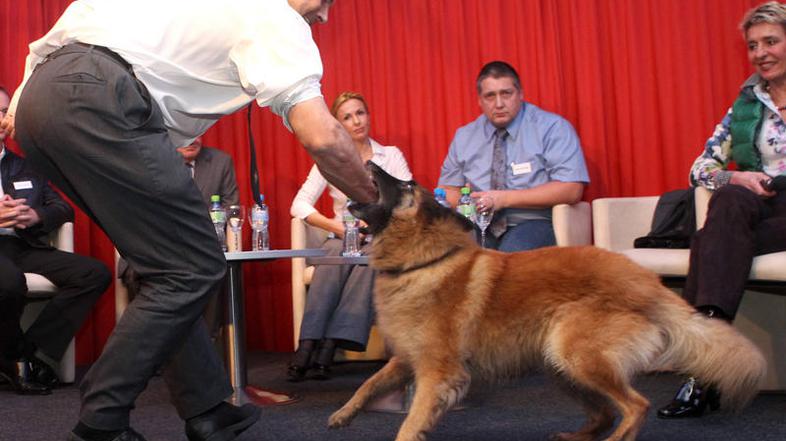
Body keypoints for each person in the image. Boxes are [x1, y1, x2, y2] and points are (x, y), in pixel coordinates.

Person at [0, 1, 376, 441]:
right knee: (192, 266)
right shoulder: (273, 15)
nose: (327, 15)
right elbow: (324, 137)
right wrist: (377, 206)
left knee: (161, 265)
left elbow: (60, 33)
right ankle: (100, 419)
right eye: (325, 0)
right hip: (103, 99)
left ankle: (207, 408)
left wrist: (23, 103)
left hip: (41, 109)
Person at [657, 1, 786, 419]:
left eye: (771, 41)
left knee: (712, 242)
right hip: (760, 207)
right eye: (753, 45)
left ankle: (703, 369)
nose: (760, 53)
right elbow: (700, 168)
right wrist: (738, 178)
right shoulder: (747, 103)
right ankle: (712, 358)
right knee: (728, 203)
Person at [288, 91, 412, 381]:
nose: (356, 121)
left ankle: (328, 348)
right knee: (332, 257)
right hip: (343, 234)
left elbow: (407, 199)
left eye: (360, 113)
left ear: (368, 115)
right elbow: (299, 204)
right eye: (347, 117)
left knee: (366, 260)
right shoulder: (331, 159)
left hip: (381, 236)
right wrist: (337, 228)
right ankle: (306, 348)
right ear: (337, 124)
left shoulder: (389, 155)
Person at [0, 86, 111, 396]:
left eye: (5, 112)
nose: (0, 119)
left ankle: (27, 351)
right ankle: (14, 358)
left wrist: (35, 217)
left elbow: (62, 208)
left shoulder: (26, 165)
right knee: (8, 282)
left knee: (94, 274)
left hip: (22, 245)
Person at [438, 61, 590, 252]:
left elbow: (571, 188)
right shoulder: (465, 136)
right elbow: (446, 190)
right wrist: (469, 203)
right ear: (480, 101)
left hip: (533, 221)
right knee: (445, 259)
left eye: (506, 94)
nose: (499, 104)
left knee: (506, 262)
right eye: (490, 96)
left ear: (520, 94)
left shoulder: (551, 128)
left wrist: (504, 199)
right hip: (480, 224)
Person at [118, 136, 239, 342]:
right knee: (136, 271)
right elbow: (137, 209)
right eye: (185, 133)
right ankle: (150, 345)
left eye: (197, 132)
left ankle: (205, 346)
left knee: (214, 269)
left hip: (203, 245)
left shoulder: (221, 162)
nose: (193, 139)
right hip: (158, 245)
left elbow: (231, 208)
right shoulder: (149, 161)